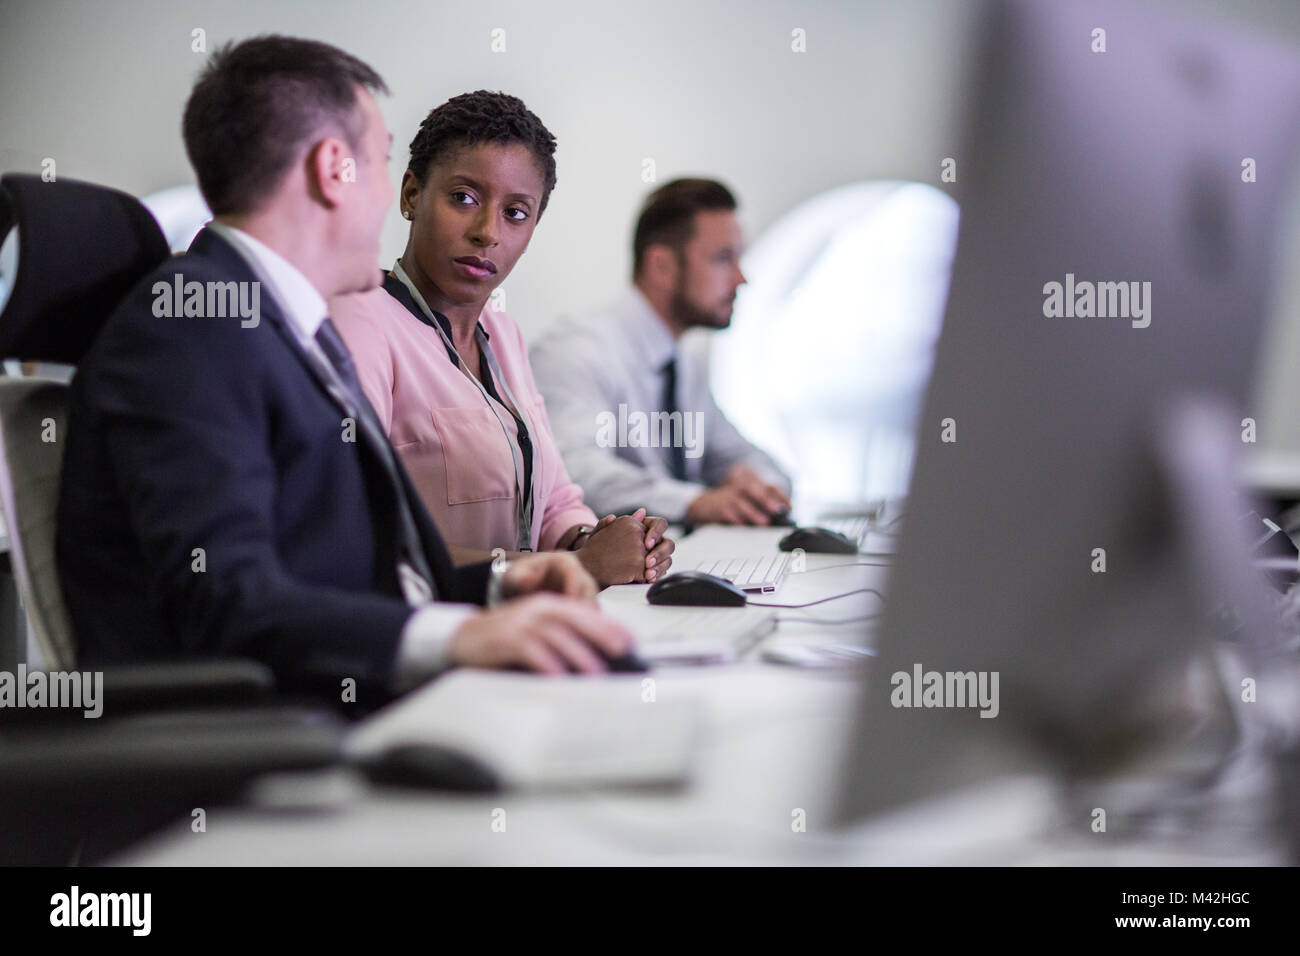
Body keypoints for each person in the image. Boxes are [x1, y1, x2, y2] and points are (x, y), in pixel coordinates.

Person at [56, 36, 635, 705]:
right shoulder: (191, 329)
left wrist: (506, 587)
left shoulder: (289, 330)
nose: (395, 193)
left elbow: (346, 573)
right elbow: (226, 599)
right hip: (257, 742)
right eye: (384, 162)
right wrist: (453, 641)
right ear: (334, 169)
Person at [330, 91, 674, 588]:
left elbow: (555, 500)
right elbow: (361, 539)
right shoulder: (360, 320)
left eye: (515, 212)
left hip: (520, 626)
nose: (487, 232)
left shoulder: (503, 334)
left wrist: (594, 541)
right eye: (464, 198)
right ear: (411, 195)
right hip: (426, 638)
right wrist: (566, 569)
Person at [530, 178, 792, 525]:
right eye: (723, 258)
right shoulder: (577, 351)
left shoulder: (683, 364)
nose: (741, 279)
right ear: (662, 266)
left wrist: (757, 484)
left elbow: (738, 454)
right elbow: (574, 473)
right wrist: (694, 502)